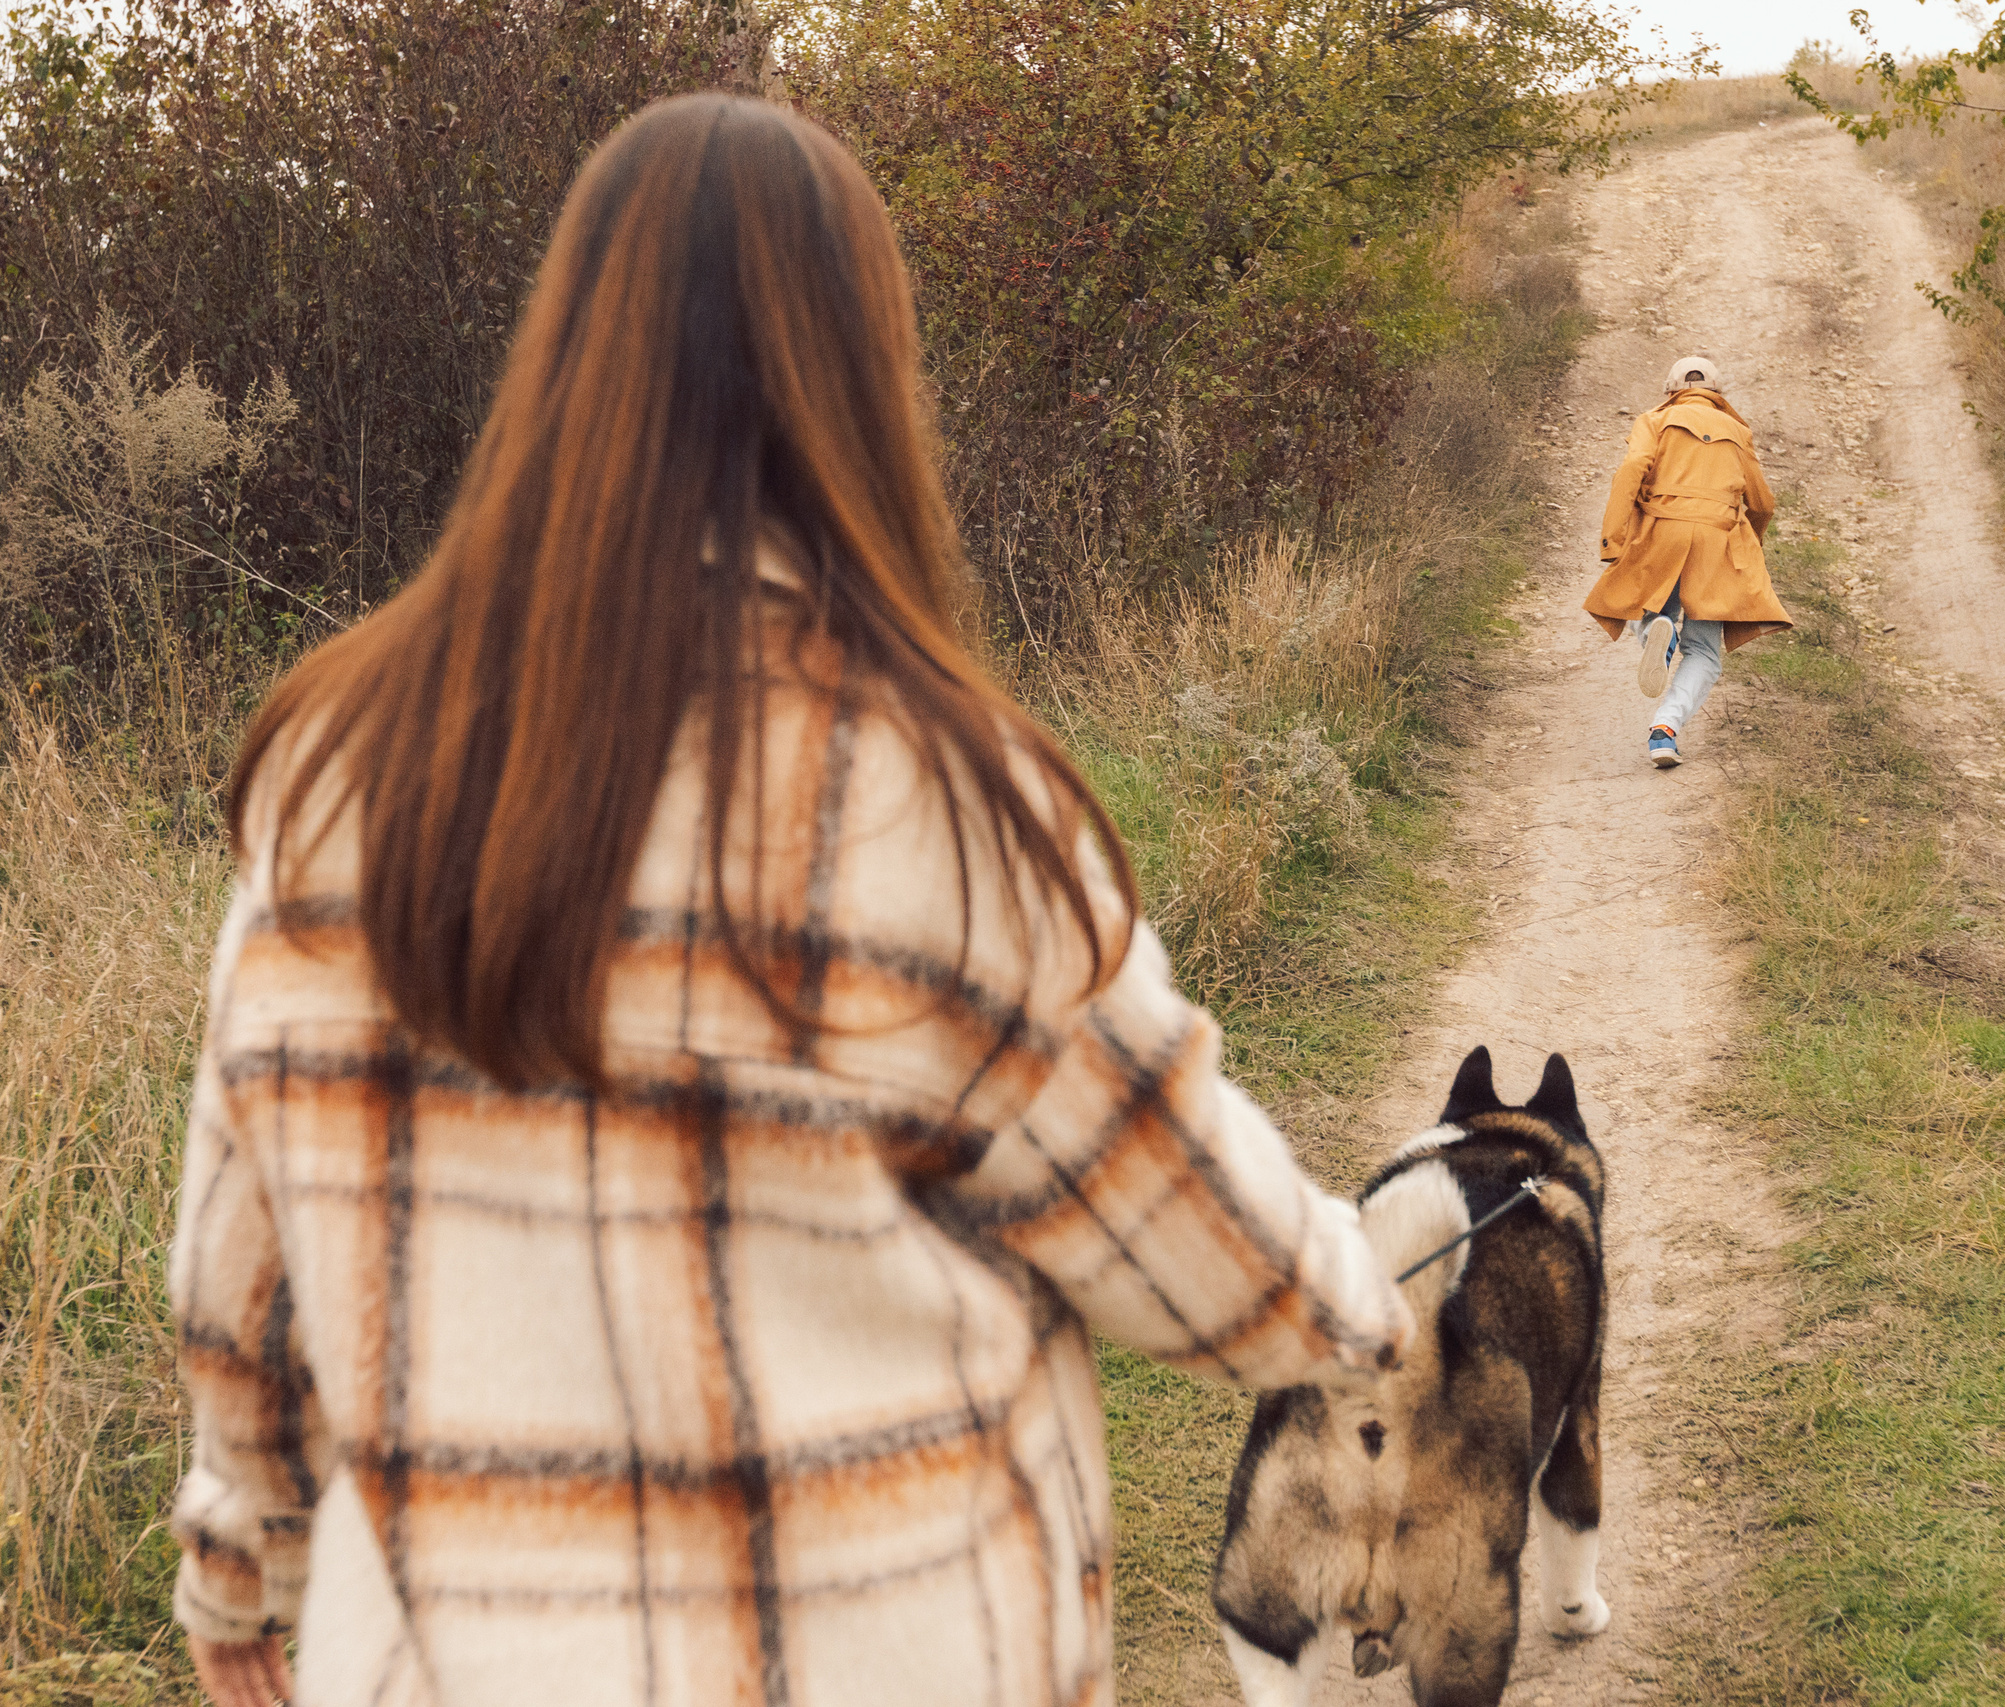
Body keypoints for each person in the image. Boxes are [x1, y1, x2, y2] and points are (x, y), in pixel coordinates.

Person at [169, 93, 1409, 1707]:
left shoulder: (334, 772)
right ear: (862, 378)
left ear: (558, 358)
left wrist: (244, 1567)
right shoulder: (938, 795)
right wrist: (1367, 1294)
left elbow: (245, 1279)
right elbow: (1221, 1270)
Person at [1581, 355, 1792, 768]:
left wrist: (1614, 539)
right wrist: (1749, 546)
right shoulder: (1738, 431)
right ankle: (1665, 729)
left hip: (1662, 532)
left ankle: (1657, 636)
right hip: (1717, 541)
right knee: (1705, 653)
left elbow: (1631, 470)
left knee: (1646, 609)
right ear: (1716, 392)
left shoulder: (1655, 420)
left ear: (1670, 390)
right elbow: (1763, 504)